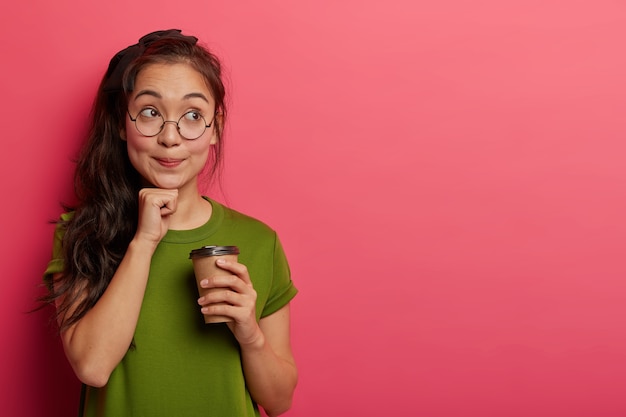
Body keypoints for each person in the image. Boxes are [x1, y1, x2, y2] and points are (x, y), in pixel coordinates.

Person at [41, 29, 298, 417]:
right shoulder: (81, 233)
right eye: (150, 113)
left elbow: (279, 402)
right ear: (120, 124)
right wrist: (143, 242)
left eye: (193, 115)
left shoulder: (259, 241)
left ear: (215, 127)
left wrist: (250, 334)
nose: (170, 137)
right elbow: (92, 367)